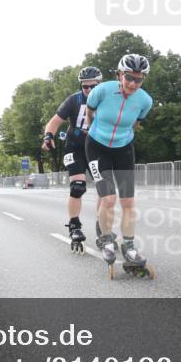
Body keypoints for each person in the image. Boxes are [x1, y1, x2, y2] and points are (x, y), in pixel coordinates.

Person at [84, 53, 153, 270]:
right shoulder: (102, 90)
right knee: (109, 198)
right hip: (96, 146)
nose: (133, 83)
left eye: (138, 79)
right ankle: (106, 239)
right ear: (119, 74)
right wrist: (93, 130)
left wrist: (123, 136)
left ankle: (129, 246)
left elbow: (136, 123)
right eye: (129, 77)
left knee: (128, 202)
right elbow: (89, 111)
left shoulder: (145, 101)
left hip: (123, 149)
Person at [41, 66, 103, 253]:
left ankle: (103, 227)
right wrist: (48, 137)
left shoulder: (108, 100)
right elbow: (54, 122)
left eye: (93, 87)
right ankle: (74, 225)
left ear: (100, 85)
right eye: (85, 87)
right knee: (77, 186)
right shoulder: (74, 100)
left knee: (105, 189)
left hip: (97, 147)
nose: (89, 90)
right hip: (75, 146)